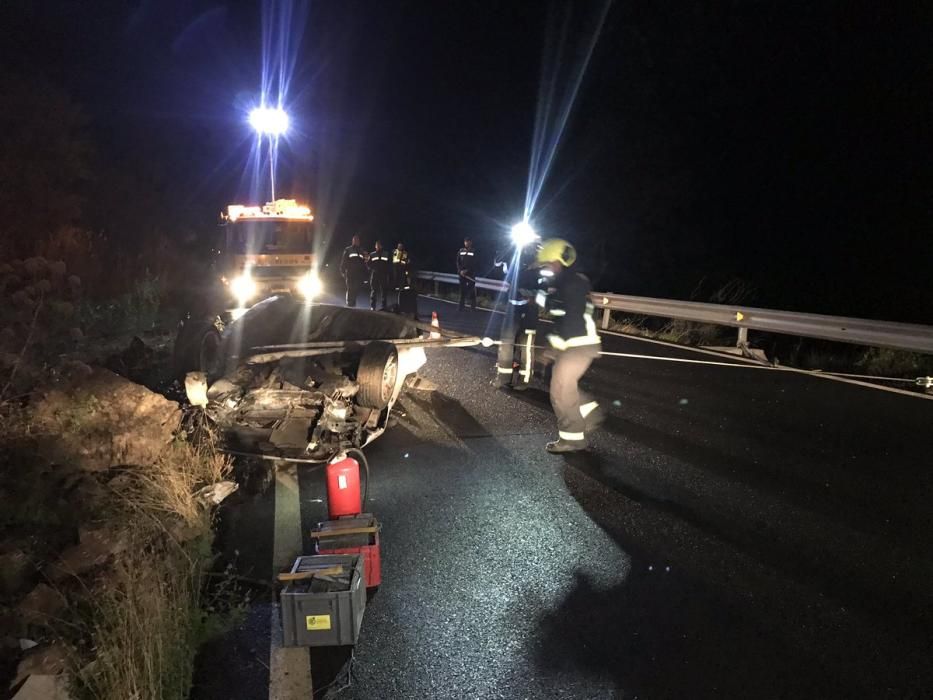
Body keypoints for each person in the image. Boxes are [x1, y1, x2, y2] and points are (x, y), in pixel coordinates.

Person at [536, 238, 601, 453]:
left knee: (560, 390)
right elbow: (558, 314)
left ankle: (573, 440)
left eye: (547, 264)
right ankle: (588, 413)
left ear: (557, 261)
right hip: (579, 344)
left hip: (577, 345)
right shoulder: (571, 281)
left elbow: (569, 321)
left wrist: (553, 349)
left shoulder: (571, 284)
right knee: (564, 386)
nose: (546, 269)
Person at [340, 234, 368, 307]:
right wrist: (342, 270)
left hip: (358, 273)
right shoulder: (348, 249)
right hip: (350, 272)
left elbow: (364, 263)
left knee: (356, 288)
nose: (357, 241)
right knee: (350, 287)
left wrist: (365, 272)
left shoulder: (361, 251)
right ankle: (350, 303)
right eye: (355, 240)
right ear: (353, 241)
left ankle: (353, 301)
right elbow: (344, 260)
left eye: (358, 240)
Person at [393, 242, 418, 319]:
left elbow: (405, 262)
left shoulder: (405, 253)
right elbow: (395, 261)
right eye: (399, 246)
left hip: (402, 272)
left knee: (403, 290)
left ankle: (403, 307)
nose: (400, 247)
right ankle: (400, 307)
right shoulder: (395, 252)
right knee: (400, 290)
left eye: (401, 246)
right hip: (397, 272)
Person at [368, 239, 392, 311]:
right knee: (373, 290)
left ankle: (384, 306)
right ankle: (373, 306)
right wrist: (372, 267)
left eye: (379, 245)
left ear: (381, 246)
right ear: (375, 246)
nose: (378, 246)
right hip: (375, 274)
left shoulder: (386, 254)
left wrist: (388, 272)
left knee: (384, 291)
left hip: (383, 275)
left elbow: (389, 264)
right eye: (376, 245)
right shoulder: (372, 254)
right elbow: (369, 264)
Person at [457, 237, 477, 311]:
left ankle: (473, 307)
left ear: (471, 242)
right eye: (465, 241)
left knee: (471, 290)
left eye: (468, 241)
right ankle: (461, 307)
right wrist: (460, 271)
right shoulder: (460, 251)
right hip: (462, 274)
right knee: (462, 291)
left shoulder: (474, 251)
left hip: (470, 274)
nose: (466, 243)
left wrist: (467, 270)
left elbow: (475, 263)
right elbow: (457, 262)